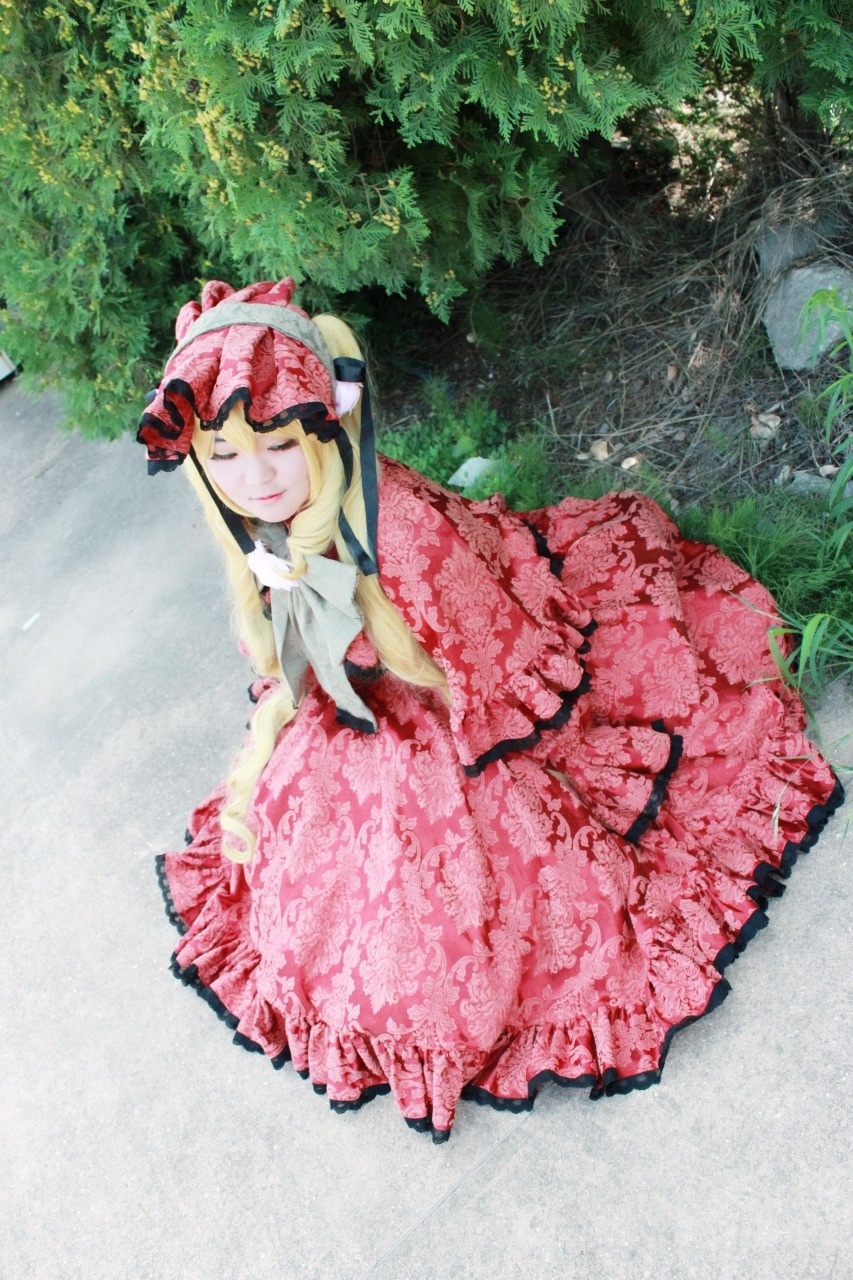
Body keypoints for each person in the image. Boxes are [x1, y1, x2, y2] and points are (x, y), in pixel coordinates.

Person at [140, 277, 842, 1142]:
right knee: (307, 858)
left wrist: (449, 742)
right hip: (360, 705)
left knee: (442, 882)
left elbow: (503, 659)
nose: (255, 480)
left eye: (277, 448)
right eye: (226, 457)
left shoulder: (398, 531)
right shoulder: (261, 531)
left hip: (463, 708)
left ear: (322, 427)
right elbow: (299, 643)